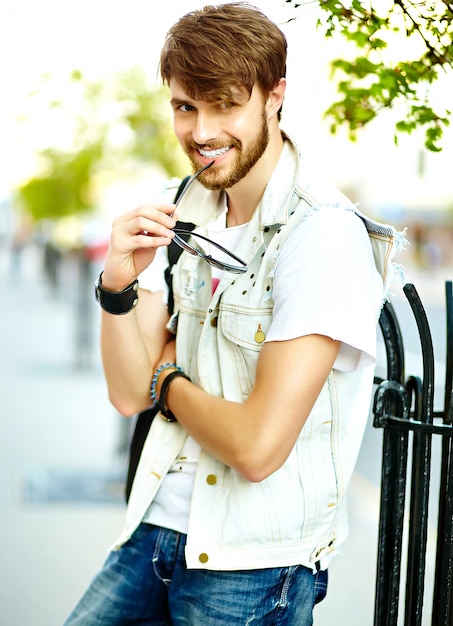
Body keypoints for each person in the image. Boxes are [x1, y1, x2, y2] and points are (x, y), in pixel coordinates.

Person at [64, 3, 404, 624]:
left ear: (275, 96)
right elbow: (123, 394)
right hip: (153, 530)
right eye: (185, 106)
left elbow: (256, 446)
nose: (201, 131)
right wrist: (116, 285)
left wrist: (166, 379)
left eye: (225, 103)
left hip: (251, 565)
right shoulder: (179, 207)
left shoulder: (319, 235)